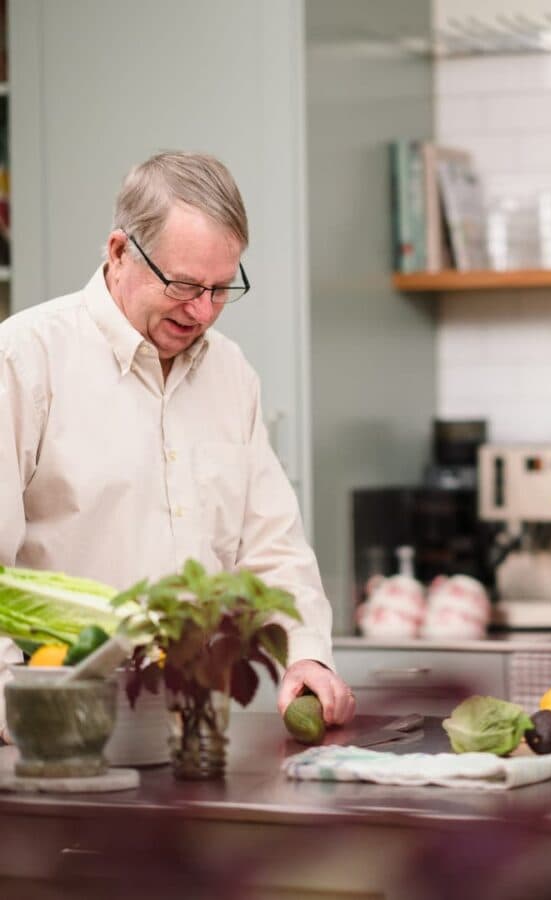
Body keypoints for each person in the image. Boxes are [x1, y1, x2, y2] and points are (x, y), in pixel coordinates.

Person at [0, 151, 355, 733]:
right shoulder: (24, 360)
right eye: (184, 284)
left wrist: (306, 653)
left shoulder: (231, 374)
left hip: (199, 726)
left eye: (221, 288)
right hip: (58, 732)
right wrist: (24, 718)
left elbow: (271, 546)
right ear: (119, 252)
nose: (203, 311)